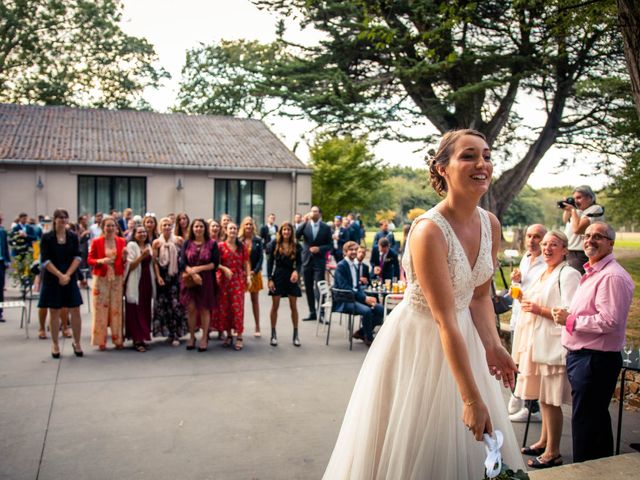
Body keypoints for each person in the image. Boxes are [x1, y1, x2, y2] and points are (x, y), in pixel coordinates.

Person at [323, 129, 524, 478]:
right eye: (468, 156)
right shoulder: (429, 230)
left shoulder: (490, 224)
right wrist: (471, 399)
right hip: (422, 343)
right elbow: (444, 319)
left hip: (467, 339)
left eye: (487, 156)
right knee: (418, 444)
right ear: (442, 168)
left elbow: (478, 296)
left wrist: (492, 346)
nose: (482, 164)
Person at [553, 222, 635, 463]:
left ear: (611, 243)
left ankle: (587, 472)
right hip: (586, 358)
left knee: (587, 425)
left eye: (598, 236)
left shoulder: (611, 277)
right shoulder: (594, 272)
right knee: (592, 422)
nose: (590, 240)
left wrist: (570, 321)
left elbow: (609, 321)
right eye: (587, 236)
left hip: (594, 360)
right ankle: (598, 469)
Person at [511, 231, 580, 469]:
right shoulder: (543, 272)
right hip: (534, 340)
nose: (548, 248)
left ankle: (553, 452)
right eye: (545, 244)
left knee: (551, 400)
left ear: (565, 250)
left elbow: (570, 311)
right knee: (542, 397)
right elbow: (532, 300)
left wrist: (539, 310)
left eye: (554, 244)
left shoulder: (569, 274)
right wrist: (520, 292)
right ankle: (542, 441)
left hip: (552, 344)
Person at [507, 223, 547, 421]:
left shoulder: (546, 264)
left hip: (533, 320)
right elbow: (519, 290)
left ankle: (532, 408)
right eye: (529, 236)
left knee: (528, 364)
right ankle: (520, 398)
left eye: (537, 236)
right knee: (516, 361)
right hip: (517, 318)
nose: (532, 240)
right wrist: (516, 280)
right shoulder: (525, 259)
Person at [37, 209, 84, 358]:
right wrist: (59, 275)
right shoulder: (47, 237)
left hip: (69, 277)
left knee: (75, 309)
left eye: (65, 217)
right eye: (60, 217)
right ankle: (55, 344)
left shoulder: (72, 237)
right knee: (54, 311)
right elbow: (45, 260)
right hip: (52, 278)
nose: (63, 220)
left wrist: (68, 275)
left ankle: (77, 343)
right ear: (54, 219)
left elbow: (77, 256)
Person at [179, 218, 220, 352]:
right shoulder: (187, 243)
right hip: (190, 280)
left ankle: (204, 338)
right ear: (192, 228)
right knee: (191, 309)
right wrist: (191, 271)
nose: (198, 229)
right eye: (196, 226)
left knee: (204, 309)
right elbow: (182, 262)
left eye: (201, 226)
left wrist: (198, 269)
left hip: (206, 280)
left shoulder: (212, 244)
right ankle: (191, 337)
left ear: (205, 228)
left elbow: (215, 264)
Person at [333, 241, 384, 346]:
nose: (354, 252)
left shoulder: (354, 266)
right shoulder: (341, 266)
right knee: (367, 311)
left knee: (380, 309)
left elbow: (357, 287)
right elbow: (345, 287)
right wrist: (364, 299)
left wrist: (366, 297)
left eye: (355, 250)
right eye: (351, 250)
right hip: (344, 300)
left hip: (354, 297)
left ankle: (361, 332)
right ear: (345, 252)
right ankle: (369, 338)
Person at [88, 216, 127, 350]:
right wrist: (101, 261)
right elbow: (90, 259)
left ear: (116, 228)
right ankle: (100, 340)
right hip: (101, 278)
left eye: (112, 226)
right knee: (100, 309)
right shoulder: (97, 241)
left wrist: (125, 258)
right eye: (107, 226)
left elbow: (124, 261)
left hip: (117, 278)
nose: (110, 228)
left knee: (116, 309)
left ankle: (117, 339)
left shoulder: (122, 241)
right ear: (103, 227)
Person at [266, 222, 303, 347]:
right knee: (275, 306)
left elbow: (300, 263)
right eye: (284, 230)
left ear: (291, 231)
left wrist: (296, 271)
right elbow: (270, 263)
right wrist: (270, 279)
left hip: (291, 277)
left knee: (294, 307)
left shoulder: (297, 245)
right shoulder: (274, 244)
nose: (286, 232)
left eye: (288, 229)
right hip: (278, 276)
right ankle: (273, 334)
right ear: (281, 231)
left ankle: (296, 334)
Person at [152, 217, 186, 347]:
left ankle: (177, 334)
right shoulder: (156, 242)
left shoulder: (178, 240)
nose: (167, 227)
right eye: (164, 225)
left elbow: (183, 259)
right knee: (164, 306)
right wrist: (158, 276)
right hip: (163, 278)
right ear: (160, 227)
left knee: (176, 306)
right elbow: (154, 261)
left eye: (169, 225)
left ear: (172, 226)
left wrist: (183, 275)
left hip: (175, 277)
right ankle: (169, 333)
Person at [216, 222, 249, 350]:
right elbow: (215, 263)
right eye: (230, 228)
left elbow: (246, 262)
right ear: (226, 230)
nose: (233, 231)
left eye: (235, 228)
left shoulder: (242, 246)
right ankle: (229, 334)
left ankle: (239, 335)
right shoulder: (220, 246)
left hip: (238, 280)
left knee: (237, 308)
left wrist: (248, 277)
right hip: (224, 280)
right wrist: (224, 268)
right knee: (225, 307)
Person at [296, 206, 332, 321]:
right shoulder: (305, 225)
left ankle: (321, 313)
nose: (313, 213)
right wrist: (304, 222)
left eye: (315, 211)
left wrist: (319, 249)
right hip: (306, 260)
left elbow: (330, 245)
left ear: (320, 214)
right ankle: (312, 312)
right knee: (308, 287)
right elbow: (296, 235)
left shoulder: (326, 227)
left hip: (319, 261)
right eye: (312, 211)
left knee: (319, 287)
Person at [124, 226, 155, 352]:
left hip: (147, 281)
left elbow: (153, 263)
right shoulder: (131, 245)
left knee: (145, 308)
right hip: (135, 281)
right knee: (135, 309)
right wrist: (142, 257)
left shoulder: (148, 245)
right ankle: (137, 339)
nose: (142, 234)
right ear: (134, 234)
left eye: (144, 232)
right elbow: (130, 266)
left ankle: (143, 336)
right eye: (139, 232)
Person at [562, 185, 604, 275]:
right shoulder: (578, 211)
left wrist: (573, 210)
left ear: (590, 198)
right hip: (568, 251)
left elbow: (577, 229)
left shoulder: (595, 209)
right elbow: (565, 221)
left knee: (576, 280)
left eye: (579, 198)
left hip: (579, 253)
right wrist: (567, 209)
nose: (576, 201)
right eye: (574, 198)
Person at [239, 217, 264, 337]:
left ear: (253, 226)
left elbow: (260, 258)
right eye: (246, 224)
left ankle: (257, 326)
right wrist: (243, 272)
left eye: (250, 224)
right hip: (242, 274)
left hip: (255, 273)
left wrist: (254, 271)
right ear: (243, 226)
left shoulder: (258, 240)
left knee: (255, 301)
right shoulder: (239, 240)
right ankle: (238, 326)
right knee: (239, 302)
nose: (248, 226)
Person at [0, 213, 10, 323]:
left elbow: (5, 247)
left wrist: (7, 260)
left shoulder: (2, 232)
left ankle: (0, 312)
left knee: (0, 287)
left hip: (1, 261)